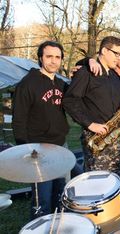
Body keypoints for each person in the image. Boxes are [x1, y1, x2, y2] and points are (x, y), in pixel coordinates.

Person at [12, 41, 69, 219]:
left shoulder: (61, 84)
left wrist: (85, 63)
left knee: (60, 195)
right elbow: (18, 120)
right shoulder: (27, 84)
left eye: (57, 57)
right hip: (38, 148)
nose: (53, 61)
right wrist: (26, 150)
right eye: (49, 56)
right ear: (40, 58)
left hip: (60, 146)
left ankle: (58, 229)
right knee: (41, 199)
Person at [63, 36, 120, 174]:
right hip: (95, 137)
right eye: (116, 54)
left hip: (113, 138)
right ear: (104, 50)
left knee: (114, 181)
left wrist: (118, 136)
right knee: (96, 183)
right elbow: (70, 101)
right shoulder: (86, 72)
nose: (119, 58)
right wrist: (90, 124)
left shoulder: (115, 77)